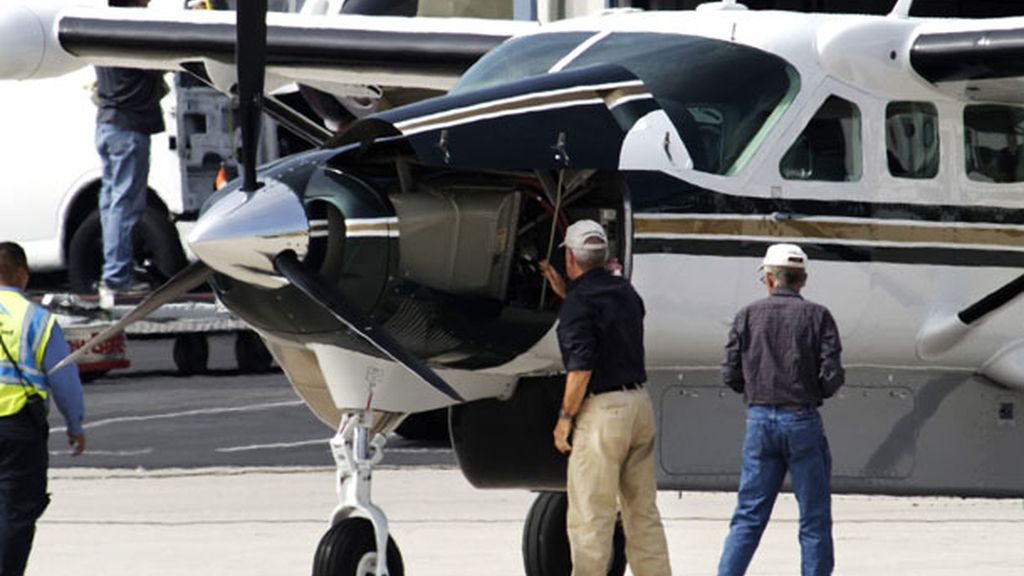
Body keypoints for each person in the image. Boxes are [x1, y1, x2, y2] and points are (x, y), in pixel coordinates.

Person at [540, 220, 671, 576]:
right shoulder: (625, 292)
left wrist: (565, 419)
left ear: (570, 258)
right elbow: (607, 320)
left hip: (604, 415)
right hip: (638, 406)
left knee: (590, 516)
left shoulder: (578, 305)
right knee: (642, 513)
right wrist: (569, 295)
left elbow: (581, 369)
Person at [717, 243, 844, 576]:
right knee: (814, 518)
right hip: (802, 418)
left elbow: (730, 373)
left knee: (748, 516)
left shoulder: (746, 315)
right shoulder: (819, 316)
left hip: (759, 420)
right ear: (802, 280)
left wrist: (757, 390)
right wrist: (812, 392)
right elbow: (832, 376)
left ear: (769, 279)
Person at [0, 242, 85, 575]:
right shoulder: (37, 319)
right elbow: (64, 378)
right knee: (16, 513)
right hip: (18, 427)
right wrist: (75, 425)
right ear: (21, 276)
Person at [93, 0, 166, 307]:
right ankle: (117, 278)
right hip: (129, 128)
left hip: (107, 124)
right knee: (125, 205)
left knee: (111, 201)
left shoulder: (101, 29)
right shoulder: (133, 28)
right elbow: (160, 61)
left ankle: (114, 272)